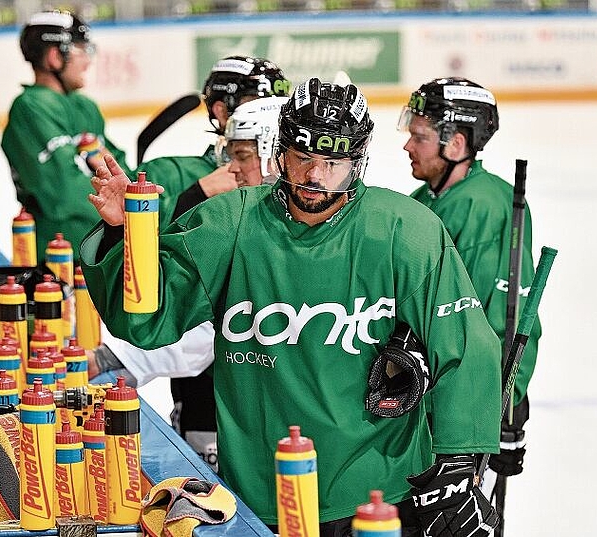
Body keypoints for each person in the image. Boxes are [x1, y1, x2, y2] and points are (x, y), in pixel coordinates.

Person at [81, 77, 502, 536]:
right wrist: (127, 235)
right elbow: (145, 321)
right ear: (280, 153)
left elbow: (464, 346)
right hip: (260, 494)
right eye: (302, 158)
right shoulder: (229, 223)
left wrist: (459, 468)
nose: (315, 177)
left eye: (332, 162)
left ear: (357, 162)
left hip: (379, 493)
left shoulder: (406, 229)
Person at [91, 57, 290, 468]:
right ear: (221, 109)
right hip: (210, 400)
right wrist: (193, 198)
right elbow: (165, 283)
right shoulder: (171, 172)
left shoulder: (293, 211)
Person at [398, 77, 542, 512]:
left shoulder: (484, 204)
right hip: (417, 400)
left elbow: (490, 317)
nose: (408, 146)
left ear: (456, 144)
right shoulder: (425, 198)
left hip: (456, 412)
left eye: (419, 137)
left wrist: (505, 403)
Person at [1, 10, 131, 262]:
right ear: (54, 56)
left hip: (106, 251)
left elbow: (121, 169)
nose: (88, 60)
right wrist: (127, 210)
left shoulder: (85, 107)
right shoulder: (29, 108)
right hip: (59, 257)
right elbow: (61, 191)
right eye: (82, 50)